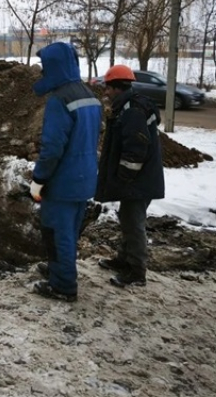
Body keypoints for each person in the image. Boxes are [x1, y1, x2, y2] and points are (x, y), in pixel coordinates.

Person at [29, 42, 102, 302]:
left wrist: (39, 179)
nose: (43, 73)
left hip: (63, 181)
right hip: (84, 179)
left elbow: (52, 148)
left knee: (56, 231)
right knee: (69, 230)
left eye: (45, 67)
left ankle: (62, 286)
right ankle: (60, 269)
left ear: (56, 66)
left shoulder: (60, 100)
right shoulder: (88, 96)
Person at [95, 65, 165, 287]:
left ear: (117, 88)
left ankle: (136, 272)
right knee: (127, 218)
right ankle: (124, 259)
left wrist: (124, 177)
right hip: (139, 179)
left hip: (138, 180)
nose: (105, 92)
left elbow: (135, 148)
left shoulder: (132, 110)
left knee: (134, 223)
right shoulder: (128, 105)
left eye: (107, 87)